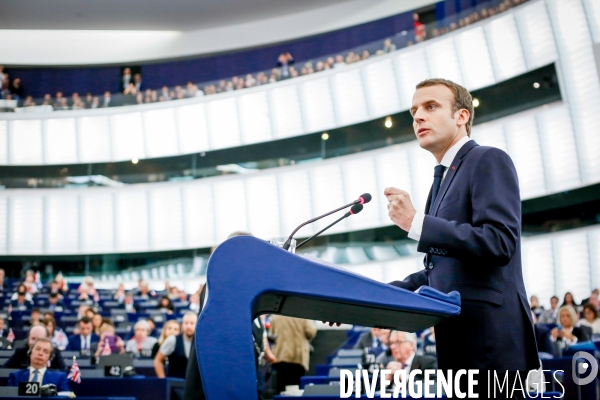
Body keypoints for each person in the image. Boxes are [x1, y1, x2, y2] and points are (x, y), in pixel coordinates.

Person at [384, 78, 538, 391]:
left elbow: (499, 241)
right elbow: (442, 269)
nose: (418, 117)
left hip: (490, 345)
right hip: (457, 344)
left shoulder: (488, 159)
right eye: (414, 111)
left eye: (430, 106)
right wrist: (367, 295)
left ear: (462, 116)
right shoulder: (440, 182)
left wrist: (418, 222)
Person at [269, 316, 317, 394]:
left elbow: (271, 334)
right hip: (298, 356)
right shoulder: (302, 314)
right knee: (295, 388)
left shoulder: (276, 315)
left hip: (281, 355)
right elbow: (311, 331)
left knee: (281, 386)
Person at [154, 312, 197, 379]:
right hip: (175, 384)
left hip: (193, 385)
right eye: (186, 323)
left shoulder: (200, 343)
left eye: (192, 323)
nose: (188, 326)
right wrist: (163, 381)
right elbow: (158, 360)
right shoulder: (172, 340)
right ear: (182, 325)